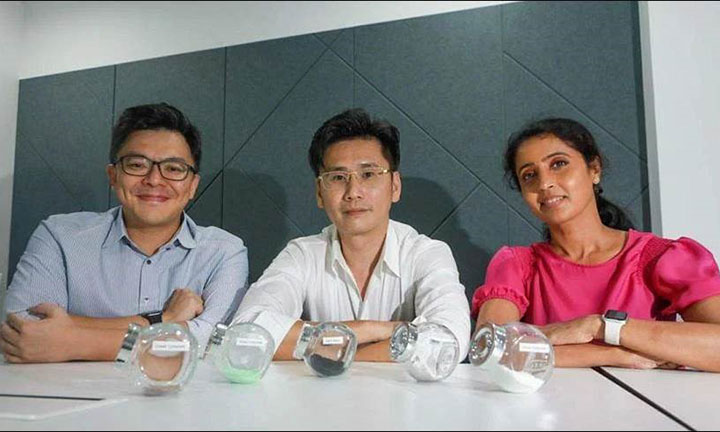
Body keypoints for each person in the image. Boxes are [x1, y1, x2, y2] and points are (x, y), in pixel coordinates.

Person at [1, 103, 248, 363]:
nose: (154, 179)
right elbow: (23, 328)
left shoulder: (223, 252)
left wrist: (72, 341)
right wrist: (163, 320)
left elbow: (210, 341)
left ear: (192, 186)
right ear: (113, 175)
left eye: (174, 169)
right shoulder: (59, 236)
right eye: (137, 165)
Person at [472, 118, 720, 371]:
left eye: (558, 164)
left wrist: (599, 327)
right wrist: (614, 354)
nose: (544, 184)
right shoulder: (517, 265)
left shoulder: (661, 258)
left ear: (594, 169)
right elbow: (489, 351)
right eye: (529, 175)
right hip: (551, 399)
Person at [232, 108, 470, 361]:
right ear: (319, 192)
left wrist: (332, 351)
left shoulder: (426, 253)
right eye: (338, 177)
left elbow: (448, 341)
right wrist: (375, 330)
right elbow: (245, 333)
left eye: (368, 174)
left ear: (395, 186)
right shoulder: (302, 255)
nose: (353, 192)